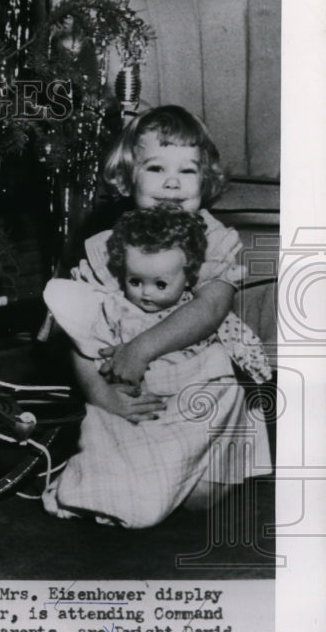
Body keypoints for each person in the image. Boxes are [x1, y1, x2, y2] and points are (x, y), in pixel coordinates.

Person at [43, 205, 272, 527]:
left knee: (222, 375)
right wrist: (103, 393)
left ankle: (170, 481)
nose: (145, 293)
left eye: (160, 284)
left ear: (189, 274)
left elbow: (245, 359)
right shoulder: (114, 306)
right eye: (135, 280)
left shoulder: (192, 315)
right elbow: (82, 345)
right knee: (117, 461)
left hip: (185, 406)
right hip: (132, 408)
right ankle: (107, 492)